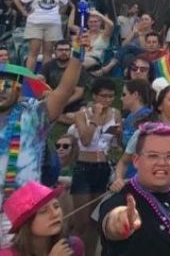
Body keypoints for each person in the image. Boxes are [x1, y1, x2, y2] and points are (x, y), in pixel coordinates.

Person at [0, 55, 82, 248]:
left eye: (7, 85)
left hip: (21, 213)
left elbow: (64, 91)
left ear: (19, 90)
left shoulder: (34, 115)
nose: (1, 90)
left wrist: (77, 56)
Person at [99, 123, 170, 254]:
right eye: (153, 155)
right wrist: (121, 221)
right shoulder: (122, 200)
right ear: (136, 161)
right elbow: (112, 223)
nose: (162, 162)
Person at [112, 82, 170, 191]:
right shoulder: (144, 131)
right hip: (145, 191)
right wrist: (119, 180)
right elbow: (124, 162)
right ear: (160, 106)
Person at [67, 77, 120, 254]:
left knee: (94, 220)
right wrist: (96, 117)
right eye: (103, 96)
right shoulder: (82, 114)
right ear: (94, 96)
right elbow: (86, 139)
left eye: (111, 96)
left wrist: (118, 135)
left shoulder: (115, 114)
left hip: (102, 167)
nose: (106, 100)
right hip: (84, 166)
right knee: (80, 221)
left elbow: (118, 144)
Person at [1, 181, 82, 256]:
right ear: (25, 223)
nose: (55, 214)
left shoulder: (74, 245)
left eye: (56, 206)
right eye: (43, 211)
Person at [14, 0, 69, 71]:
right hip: (35, 23)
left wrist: (60, 13)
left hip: (53, 24)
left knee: (48, 53)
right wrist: (24, 12)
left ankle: (44, 78)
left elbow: (66, 3)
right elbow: (17, 0)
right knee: (33, 52)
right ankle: (28, 79)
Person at [41, 40, 89, 120]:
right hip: (52, 100)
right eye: (60, 50)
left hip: (73, 102)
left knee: (82, 116)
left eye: (67, 50)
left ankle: (58, 117)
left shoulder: (78, 68)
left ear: (71, 51)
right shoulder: (48, 65)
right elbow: (41, 80)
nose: (64, 52)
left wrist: (62, 103)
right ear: (55, 51)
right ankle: (58, 116)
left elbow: (79, 93)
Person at [121, 79, 153, 147]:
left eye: (124, 94)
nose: (121, 98)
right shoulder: (130, 115)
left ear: (135, 95)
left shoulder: (147, 116)